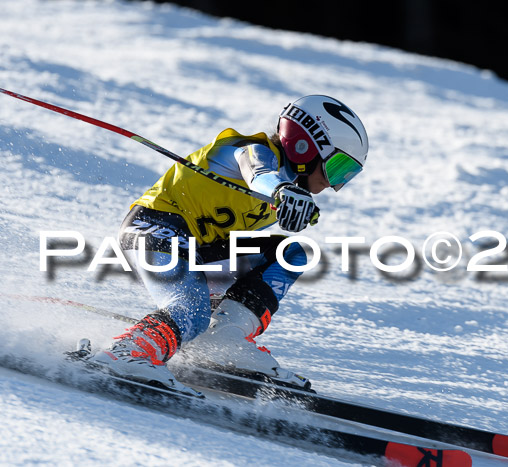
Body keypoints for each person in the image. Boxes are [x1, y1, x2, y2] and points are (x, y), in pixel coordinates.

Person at [89, 95, 369, 395]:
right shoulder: (253, 151)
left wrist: (285, 192)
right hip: (154, 230)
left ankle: (225, 338)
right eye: (337, 167)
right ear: (306, 145)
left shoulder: (288, 188)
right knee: (191, 310)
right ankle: (126, 352)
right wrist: (281, 190)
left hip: (197, 250)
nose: (333, 183)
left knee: (292, 254)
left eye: (345, 175)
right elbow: (258, 173)